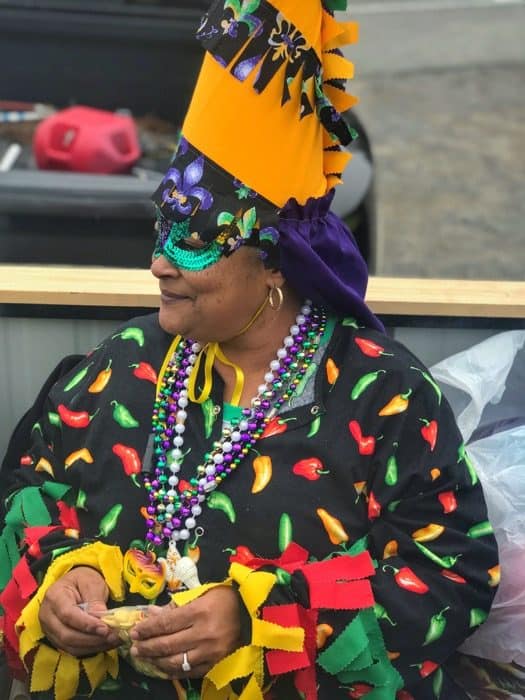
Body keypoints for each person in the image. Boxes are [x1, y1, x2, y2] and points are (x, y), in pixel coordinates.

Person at [0, 1, 498, 698]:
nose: (158, 264)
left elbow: (452, 576)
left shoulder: (382, 394)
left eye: (193, 242)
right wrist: (62, 573)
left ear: (274, 264)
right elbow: (30, 488)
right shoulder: (121, 363)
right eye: (160, 231)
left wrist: (259, 619)